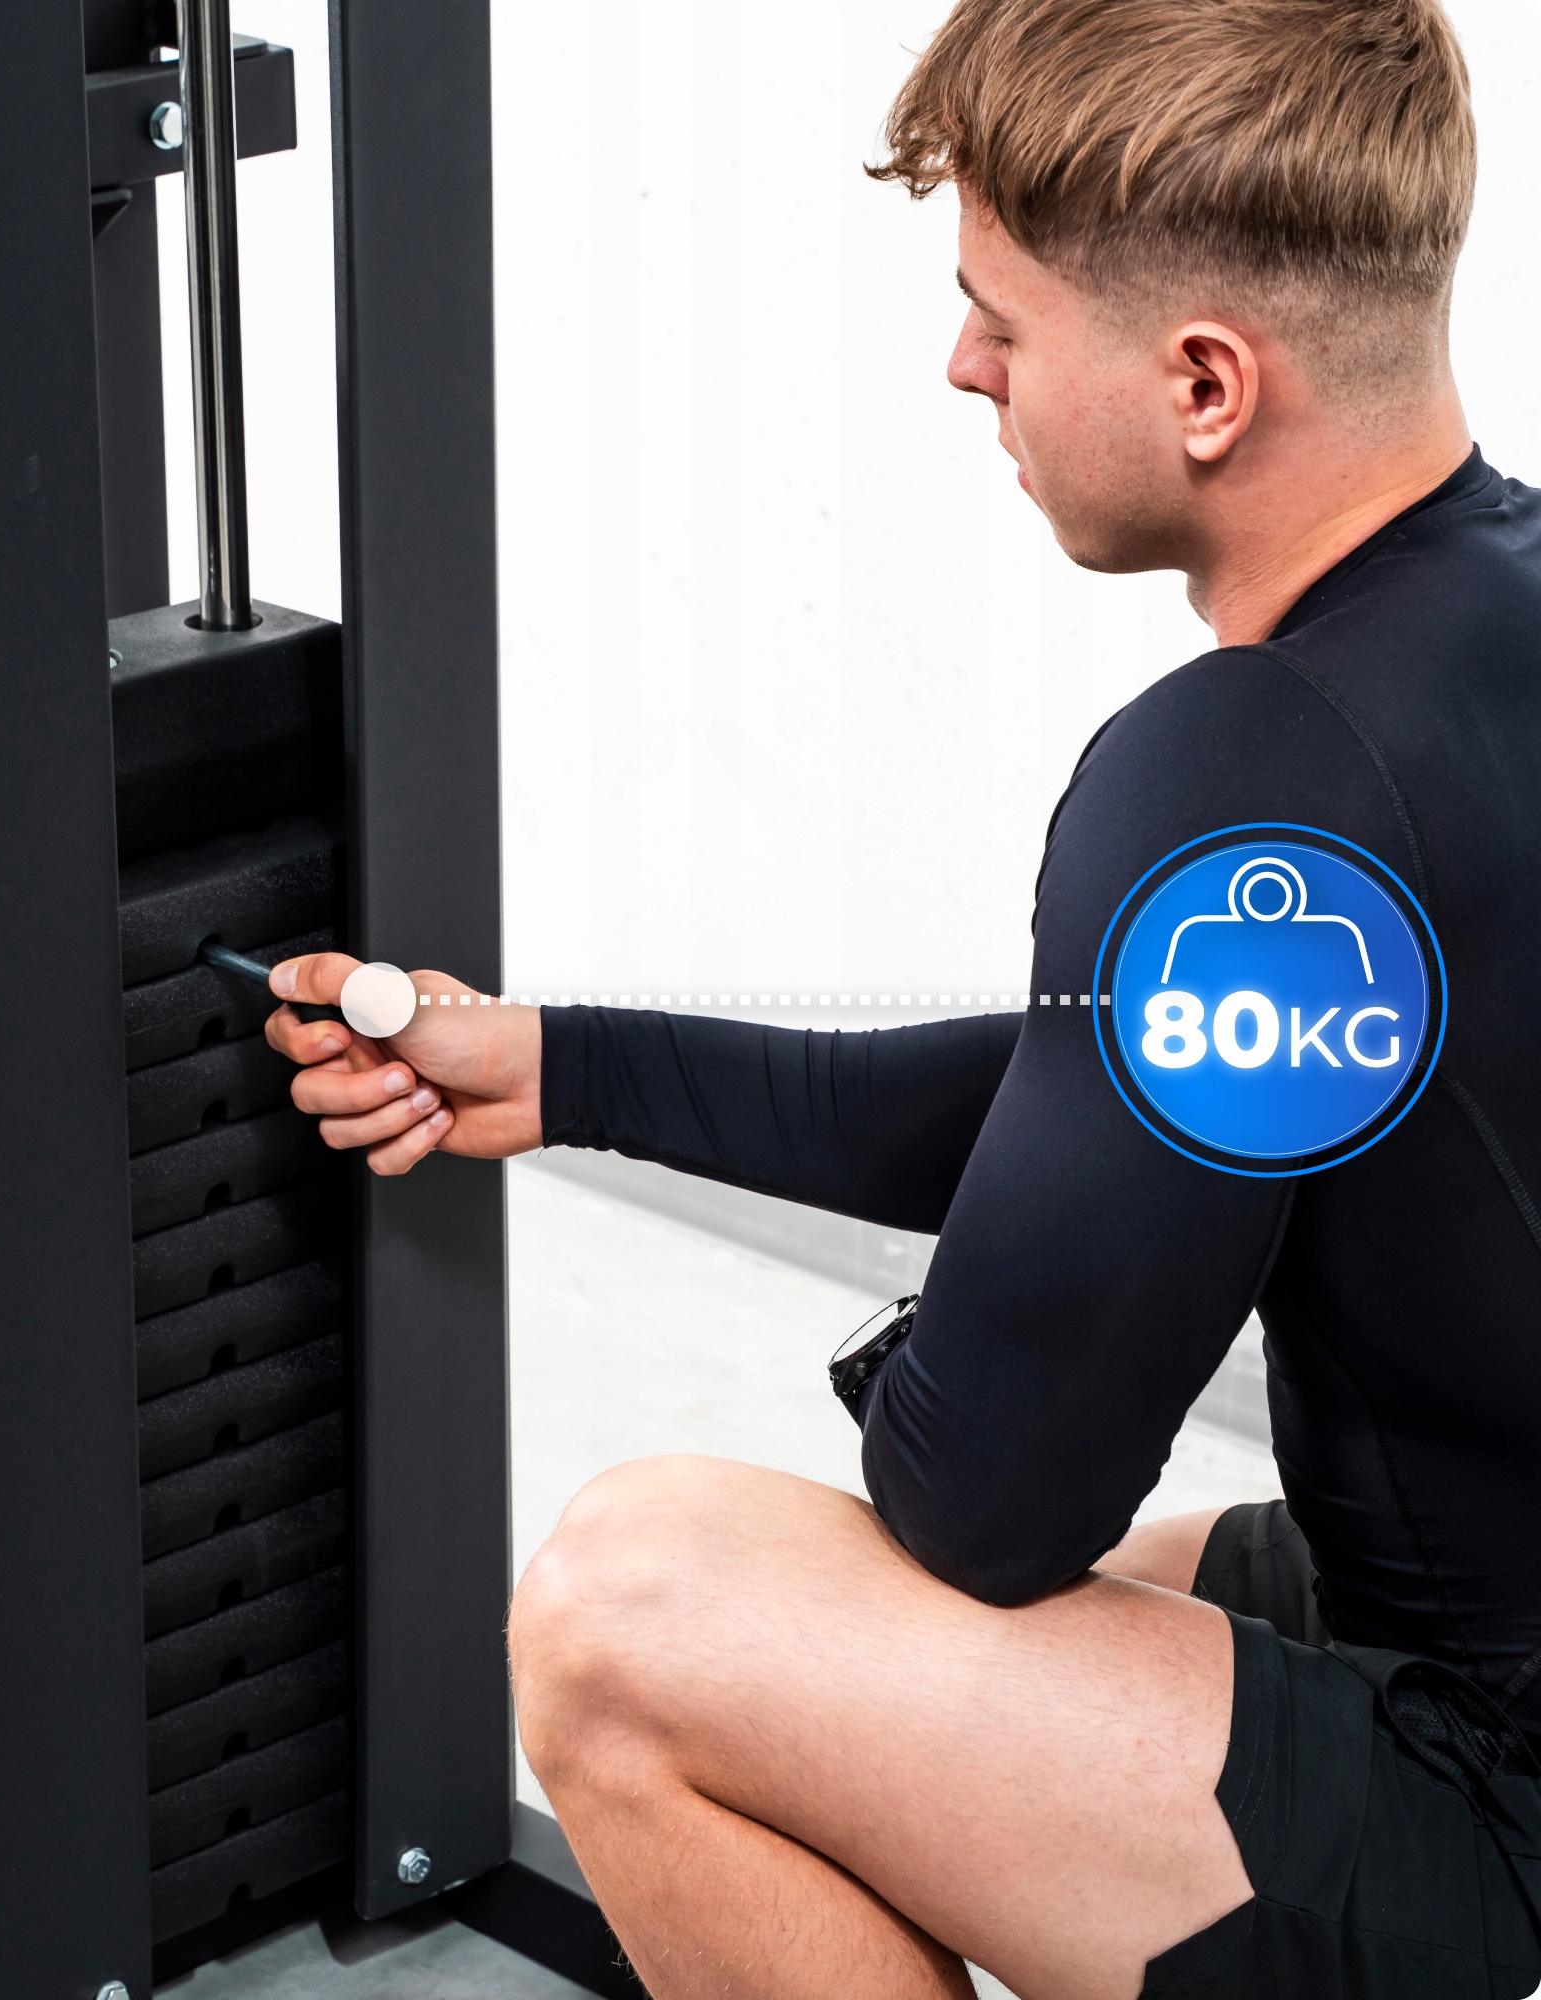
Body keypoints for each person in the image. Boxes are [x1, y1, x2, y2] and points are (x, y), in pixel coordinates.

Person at [265, 0, 1541, 1992]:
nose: (965, 367)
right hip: (1476, 1593)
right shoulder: (1484, 636)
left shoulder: (1251, 767)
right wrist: (569, 1069)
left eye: (1002, 321)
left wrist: (992, 1328)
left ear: (1205, 382)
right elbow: (1133, 1080)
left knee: (635, 1611)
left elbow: (985, 1504)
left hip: (1501, 1792)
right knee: (1058, 1610)